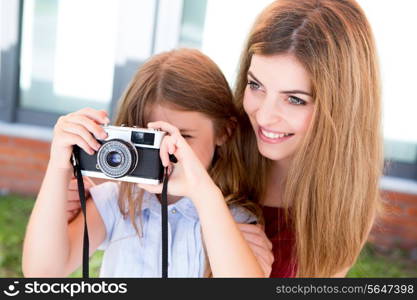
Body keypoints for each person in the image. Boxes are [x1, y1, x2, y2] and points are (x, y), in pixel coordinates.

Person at [22, 48, 271, 277]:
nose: (167, 152)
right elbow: (42, 272)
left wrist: (204, 194)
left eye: (183, 137)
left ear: (224, 132)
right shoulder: (120, 201)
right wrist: (59, 167)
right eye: (153, 139)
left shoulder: (231, 219)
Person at [234, 0, 383, 277]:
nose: (264, 117)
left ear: (341, 107)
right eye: (255, 85)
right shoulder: (213, 147)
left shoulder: (346, 199)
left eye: (294, 99)